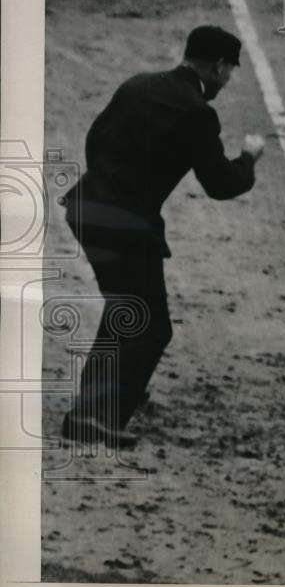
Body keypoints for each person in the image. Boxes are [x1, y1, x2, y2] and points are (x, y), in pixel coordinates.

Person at [60, 25, 265, 448]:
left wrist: (111, 184)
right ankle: (99, 417)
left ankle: (92, 409)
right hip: (126, 226)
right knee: (150, 326)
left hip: (85, 208)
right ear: (219, 66)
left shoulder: (137, 85)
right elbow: (221, 184)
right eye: (228, 73)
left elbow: (94, 140)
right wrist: (248, 158)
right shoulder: (197, 113)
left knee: (126, 310)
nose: (227, 82)